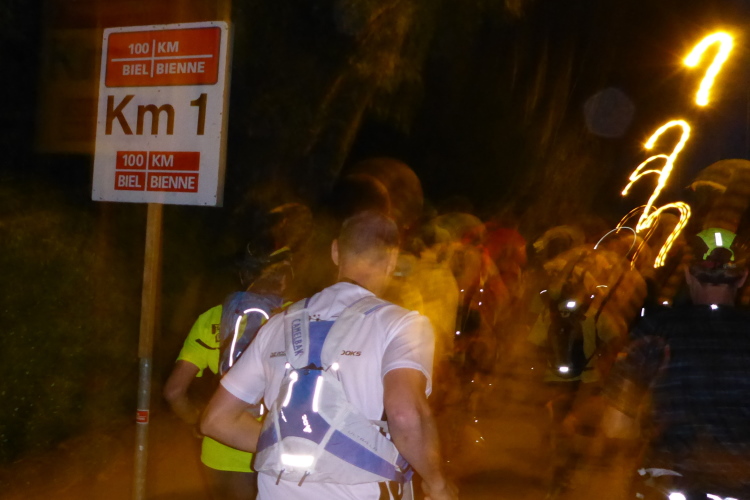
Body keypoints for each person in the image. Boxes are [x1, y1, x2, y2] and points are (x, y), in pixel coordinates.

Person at [201, 210, 457, 500]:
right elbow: (405, 413)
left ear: (335, 251)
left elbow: (216, 420)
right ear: (392, 259)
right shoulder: (401, 325)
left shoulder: (278, 323)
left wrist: (294, 444)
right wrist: (437, 484)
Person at [576, 227, 750, 499]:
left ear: (688, 274)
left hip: (669, 480)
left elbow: (617, 423)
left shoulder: (656, 329)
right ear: (742, 279)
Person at [163, 257, 293, 500]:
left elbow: (174, 391)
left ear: (243, 277)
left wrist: (198, 422)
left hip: (216, 450)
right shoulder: (296, 319)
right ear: (284, 280)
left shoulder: (212, 318)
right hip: (269, 452)